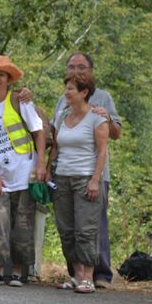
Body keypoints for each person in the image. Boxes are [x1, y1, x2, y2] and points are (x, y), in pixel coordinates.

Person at [0, 55, 46, 287]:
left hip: (24, 172)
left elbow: (39, 132)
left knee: (22, 223)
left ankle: (18, 271)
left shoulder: (19, 102)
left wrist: (41, 162)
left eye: (1, 75)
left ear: (8, 79)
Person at [53, 52, 121, 289]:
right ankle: (77, 274)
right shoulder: (63, 102)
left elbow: (116, 134)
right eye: (71, 67)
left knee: (92, 225)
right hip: (64, 173)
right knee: (70, 227)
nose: (75, 71)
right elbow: (54, 133)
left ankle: (99, 275)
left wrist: (107, 118)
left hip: (93, 173)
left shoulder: (102, 97)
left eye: (81, 67)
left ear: (91, 70)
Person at [48, 70, 109, 293]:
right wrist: (48, 171)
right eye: (66, 88)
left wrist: (95, 180)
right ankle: (75, 274)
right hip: (62, 177)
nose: (66, 92)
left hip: (86, 178)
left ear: (84, 92)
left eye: (71, 89)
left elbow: (102, 152)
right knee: (66, 229)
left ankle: (88, 277)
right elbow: (55, 147)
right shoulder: (63, 116)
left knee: (86, 229)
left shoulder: (97, 118)